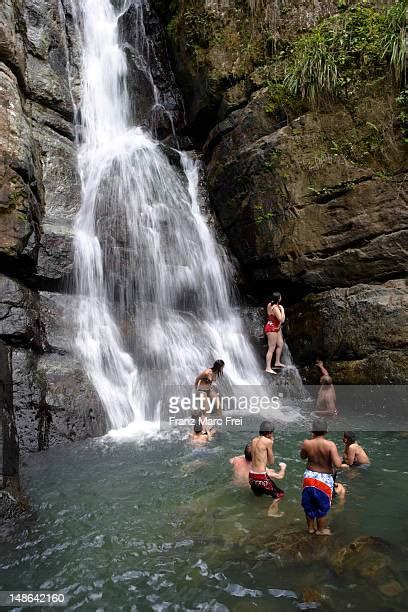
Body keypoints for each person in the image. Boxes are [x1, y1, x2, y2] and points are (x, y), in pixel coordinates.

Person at [300, 418, 343, 535]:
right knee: (322, 508)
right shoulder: (330, 445)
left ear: (312, 430)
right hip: (323, 480)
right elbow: (338, 464)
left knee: (308, 506)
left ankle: (310, 529)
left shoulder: (306, 443)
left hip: (309, 477)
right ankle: (320, 530)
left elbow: (302, 456)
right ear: (326, 431)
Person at [248, 421, 285, 517]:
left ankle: (256, 512)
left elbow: (255, 457)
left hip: (251, 476)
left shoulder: (254, 440)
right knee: (279, 495)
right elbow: (271, 461)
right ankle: (272, 513)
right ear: (269, 433)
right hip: (261, 476)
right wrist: (272, 442)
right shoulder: (268, 442)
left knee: (258, 495)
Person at [264, 292, 285, 374]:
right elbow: (281, 320)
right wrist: (282, 310)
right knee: (271, 348)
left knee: (280, 344)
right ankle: (268, 368)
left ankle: (277, 362)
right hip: (272, 328)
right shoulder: (275, 307)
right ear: (279, 298)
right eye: (280, 297)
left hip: (276, 327)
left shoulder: (269, 304)